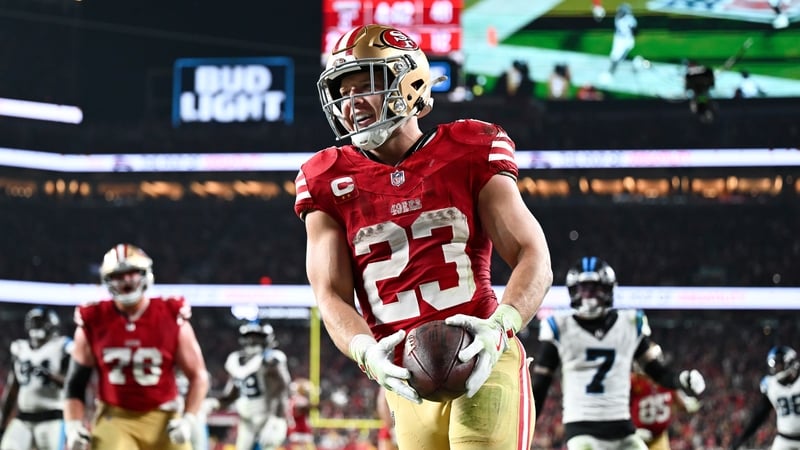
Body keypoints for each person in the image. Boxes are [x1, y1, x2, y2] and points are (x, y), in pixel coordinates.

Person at [294, 23, 553, 450]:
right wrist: (367, 353)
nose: (352, 103)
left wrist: (500, 327)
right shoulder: (326, 176)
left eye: (366, 85)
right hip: (404, 374)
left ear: (409, 84)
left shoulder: (470, 147)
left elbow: (533, 255)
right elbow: (331, 295)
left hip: (482, 354)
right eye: (343, 91)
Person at [531, 256, 706, 450]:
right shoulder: (559, 327)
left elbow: (658, 373)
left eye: (594, 288)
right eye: (584, 288)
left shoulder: (629, 323)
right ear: (574, 290)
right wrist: (526, 428)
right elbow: (540, 386)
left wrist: (683, 378)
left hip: (622, 428)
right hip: (582, 429)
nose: (589, 295)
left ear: (607, 289)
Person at [63, 243, 210, 450]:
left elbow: (199, 375)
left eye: (132, 273)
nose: (126, 281)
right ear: (107, 280)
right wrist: (73, 425)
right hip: (115, 417)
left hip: (164, 416)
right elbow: (75, 383)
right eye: (118, 275)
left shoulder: (170, 315)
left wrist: (189, 419)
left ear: (145, 274)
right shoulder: (93, 319)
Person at [204, 321, 291, 450]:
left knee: (268, 444)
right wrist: (215, 403)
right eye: (249, 338)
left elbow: (281, 391)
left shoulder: (272, 360)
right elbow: (232, 393)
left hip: (269, 418)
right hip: (247, 421)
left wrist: (276, 419)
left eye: (256, 338)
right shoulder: (237, 361)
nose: (252, 342)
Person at [0, 307, 73, 450]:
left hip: (52, 417)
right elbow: (12, 388)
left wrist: (50, 376)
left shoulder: (62, 347)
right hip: (24, 417)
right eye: (35, 323)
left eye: (41, 323)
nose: (37, 327)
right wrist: (2, 423)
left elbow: (73, 384)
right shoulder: (20, 348)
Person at [730, 345, 800, 450]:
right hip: (784, 439)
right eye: (775, 366)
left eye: (779, 365)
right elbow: (759, 416)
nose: (776, 369)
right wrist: (742, 438)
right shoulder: (771, 385)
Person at [630, 363, 702, 449]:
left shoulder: (665, 381)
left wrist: (693, 403)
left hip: (658, 437)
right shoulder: (632, 381)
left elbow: (681, 404)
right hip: (634, 437)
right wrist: (630, 429)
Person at [600, 3, 638, 83]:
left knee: (615, 58)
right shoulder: (624, 19)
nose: (619, 12)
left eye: (621, 11)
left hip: (625, 41)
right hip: (619, 40)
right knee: (618, 58)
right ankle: (636, 62)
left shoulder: (627, 19)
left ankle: (609, 74)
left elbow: (634, 30)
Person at [286, 378, 316, 450]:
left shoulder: (292, 400)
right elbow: (298, 411)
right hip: (300, 429)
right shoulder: (299, 400)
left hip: (295, 429)